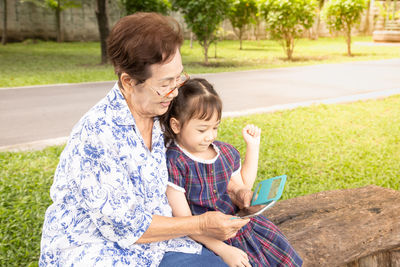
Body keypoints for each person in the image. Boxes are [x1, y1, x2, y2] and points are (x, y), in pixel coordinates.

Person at [39, 13, 250, 266]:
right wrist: (202, 223)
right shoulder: (97, 136)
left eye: (178, 77)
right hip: (97, 248)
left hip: (159, 240)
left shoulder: (161, 110)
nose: (175, 92)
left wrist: (233, 190)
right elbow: (127, 227)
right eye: (165, 83)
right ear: (128, 82)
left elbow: (192, 158)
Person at [161, 78, 303, 267]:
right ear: (176, 125)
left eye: (215, 127)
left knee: (279, 256)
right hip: (208, 238)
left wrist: (252, 149)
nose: (210, 135)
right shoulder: (175, 162)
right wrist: (223, 249)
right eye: (202, 129)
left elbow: (241, 185)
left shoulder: (224, 153)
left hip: (240, 227)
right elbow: (185, 222)